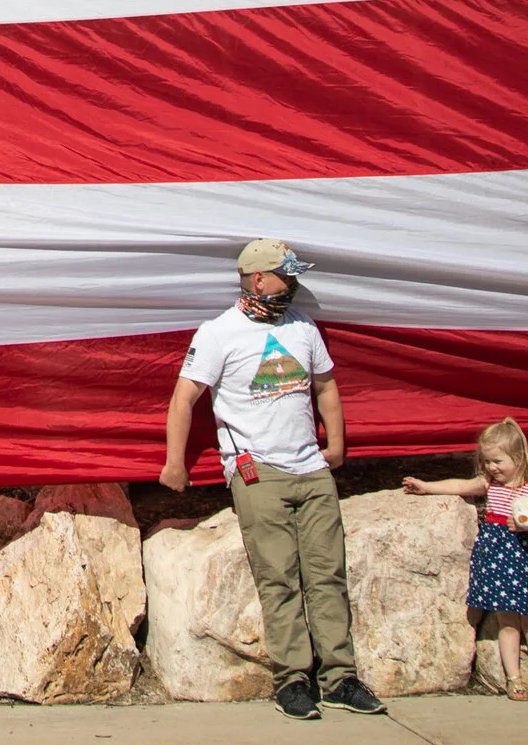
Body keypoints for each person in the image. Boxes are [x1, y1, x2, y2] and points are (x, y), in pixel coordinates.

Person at [160, 238, 384, 720]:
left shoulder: (302, 327)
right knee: (278, 577)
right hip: (257, 471)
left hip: (312, 469)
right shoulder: (220, 332)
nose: (295, 284)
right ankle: (293, 680)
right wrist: (174, 463)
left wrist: (336, 444)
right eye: (287, 275)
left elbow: (326, 387)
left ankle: (340, 677)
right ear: (258, 279)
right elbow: (184, 398)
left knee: (328, 575)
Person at [405, 417, 528, 700]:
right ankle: (513, 679)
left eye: (498, 461)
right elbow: (459, 485)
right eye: (487, 461)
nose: (492, 468)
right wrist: (426, 486)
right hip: (498, 562)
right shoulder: (490, 486)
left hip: (526, 561)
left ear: (518, 457)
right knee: (507, 622)